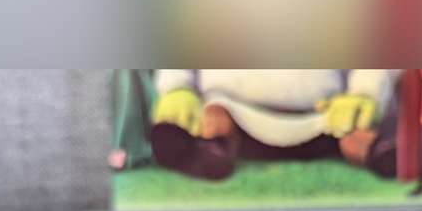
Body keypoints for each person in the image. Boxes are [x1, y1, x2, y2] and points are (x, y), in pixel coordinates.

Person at [149, 70, 400, 180]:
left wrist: (365, 92)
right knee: (215, 115)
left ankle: (378, 152)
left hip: (323, 113)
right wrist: (177, 87)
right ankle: (210, 149)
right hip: (234, 108)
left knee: (353, 128)